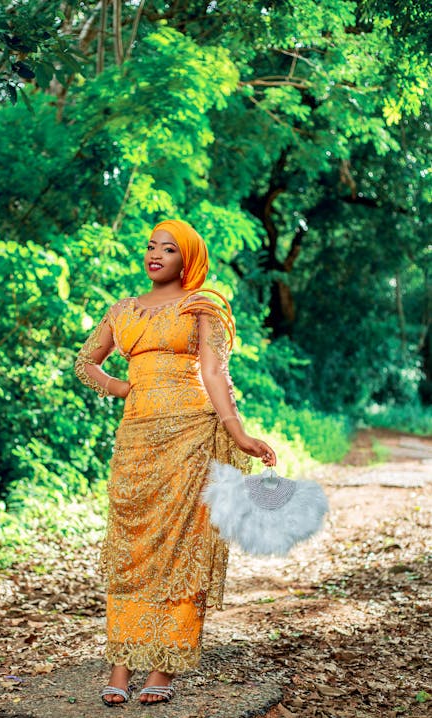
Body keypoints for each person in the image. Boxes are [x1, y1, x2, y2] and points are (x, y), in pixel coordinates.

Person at [74, 219, 276, 707]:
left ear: (187, 259)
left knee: (182, 547)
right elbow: (86, 362)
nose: (156, 254)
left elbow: (214, 370)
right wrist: (123, 388)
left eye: (169, 248)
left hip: (190, 434)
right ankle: (120, 662)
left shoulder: (202, 304)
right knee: (133, 547)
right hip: (137, 439)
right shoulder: (123, 310)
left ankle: (163, 666)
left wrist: (237, 431)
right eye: (150, 246)